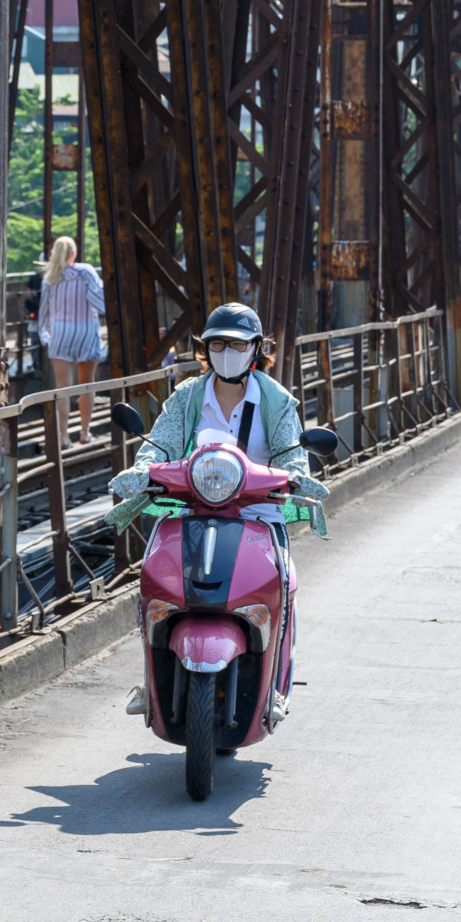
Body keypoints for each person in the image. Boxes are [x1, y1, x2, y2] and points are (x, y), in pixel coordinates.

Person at [111, 301, 328, 716]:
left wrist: (296, 477)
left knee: (283, 583)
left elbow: (292, 457)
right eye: (217, 344)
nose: (227, 351)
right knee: (152, 581)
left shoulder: (276, 401)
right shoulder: (187, 396)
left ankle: (275, 686)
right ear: (205, 350)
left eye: (237, 344)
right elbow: (159, 443)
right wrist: (144, 469)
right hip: (191, 508)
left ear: (256, 349)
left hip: (256, 514)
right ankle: (147, 679)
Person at [38, 235, 106, 445]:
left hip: (60, 334)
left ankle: (63, 436)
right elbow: (100, 302)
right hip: (85, 331)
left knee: (63, 387)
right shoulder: (85, 272)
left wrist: (44, 334)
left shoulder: (50, 278)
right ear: (73, 254)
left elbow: (44, 310)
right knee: (87, 384)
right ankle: (85, 433)